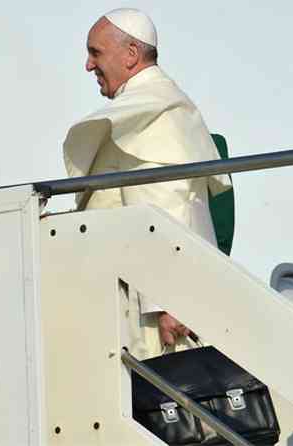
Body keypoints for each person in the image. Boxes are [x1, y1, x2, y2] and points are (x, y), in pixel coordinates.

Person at [63, 8, 231, 359]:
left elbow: (168, 212)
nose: (89, 65)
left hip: (153, 313)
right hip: (136, 295)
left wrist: (172, 301)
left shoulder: (153, 113)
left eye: (96, 53)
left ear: (131, 55)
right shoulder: (148, 106)